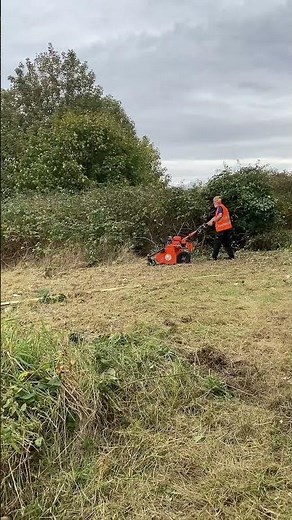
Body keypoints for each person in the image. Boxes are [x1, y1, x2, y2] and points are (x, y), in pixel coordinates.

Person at [207, 196, 235, 260]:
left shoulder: (220, 207)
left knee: (217, 243)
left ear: (217, 201)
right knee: (226, 243)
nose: (213, 203)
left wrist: (213, 222)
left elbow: (219, 216)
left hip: (221, 228)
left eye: (214, 201)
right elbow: (215, 216)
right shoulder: (222, 207)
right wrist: (209, 222)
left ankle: (214, 257)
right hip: (226, 228)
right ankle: (231, 256)